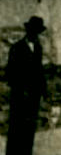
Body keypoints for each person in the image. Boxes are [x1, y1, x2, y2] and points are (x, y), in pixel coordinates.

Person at [5, 16, 47, 155]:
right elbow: (10, 73)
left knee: (30, 129)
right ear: (28, 30)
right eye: (33, 31)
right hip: (20, 97)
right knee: (16, 129)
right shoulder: (17, 48)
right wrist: (21, 89)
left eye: (37, 32)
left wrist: (44, 92)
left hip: (33, 97)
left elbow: (40, 71)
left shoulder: (38, 48)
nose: (35, 34)